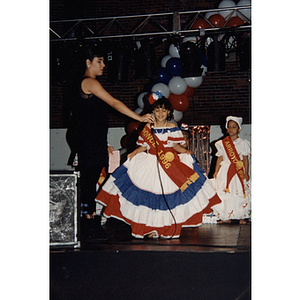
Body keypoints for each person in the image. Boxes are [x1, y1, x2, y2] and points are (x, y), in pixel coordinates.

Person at [95, 94, 221, 238]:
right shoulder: (148, 127)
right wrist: (134, 152)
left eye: (163, 110)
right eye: (157, 110)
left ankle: (166, 228)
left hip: (169, 165)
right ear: (152, 112)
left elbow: (176, 146)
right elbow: (143, 146)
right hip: (150, 164)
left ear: (169, 112)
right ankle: (150, 229)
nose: (160, 113)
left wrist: (185, 151)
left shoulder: (172, 126)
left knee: (168, 198)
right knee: (149, 200)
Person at [68, 43, 155, 240]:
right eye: (99, 62)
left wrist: (103, 141)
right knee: (89, 180)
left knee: (91, 178)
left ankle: (88, 222)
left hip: (93, 137)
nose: (103, 66)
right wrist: (139, 117)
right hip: (88, 138)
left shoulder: (90, 84)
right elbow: (114, 103)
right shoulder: (89, 82)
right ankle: (88, 223)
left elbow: (93, 117)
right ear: (88, 63)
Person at [210, 116, 251, 224]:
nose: (231, 129)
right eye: (229, 127)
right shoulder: (222, 143)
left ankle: (241, 216)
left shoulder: (243, 143)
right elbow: (220, 158)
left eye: (234, 127)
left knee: (239, 192)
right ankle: (226, 216)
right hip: (226, 170)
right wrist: (216, 171)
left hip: (238, 171)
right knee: (225, 191)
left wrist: (246, 172)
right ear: (226, 129)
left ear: (239, 129)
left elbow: (246, 159)